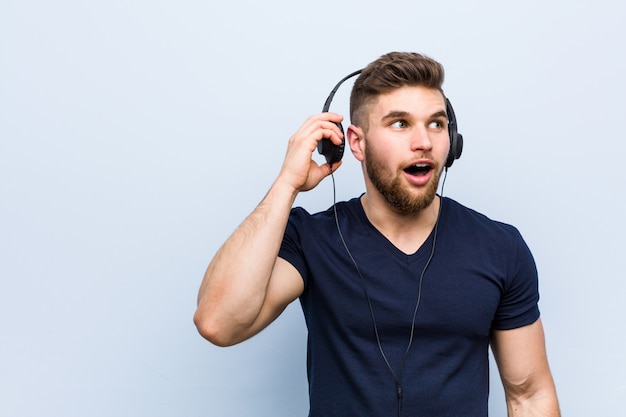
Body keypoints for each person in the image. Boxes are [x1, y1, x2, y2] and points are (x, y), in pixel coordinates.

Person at [194, 52, 560, 416]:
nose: (424, 142)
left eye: (436, 124)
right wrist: (286, 183)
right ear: (356, 143)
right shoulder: (311, 239)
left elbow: (529, 396)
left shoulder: (499, 247)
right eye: (400, 124)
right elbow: (218, 323)